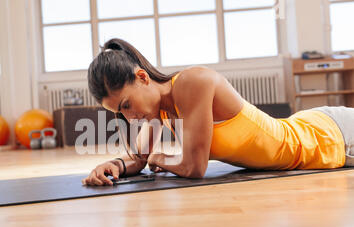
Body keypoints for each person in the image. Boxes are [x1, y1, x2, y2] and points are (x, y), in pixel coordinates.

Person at [82, 38, 354, 186]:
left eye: (126, 105)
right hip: (308, 129)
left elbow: (193, 168)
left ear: (142, 77)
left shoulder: (191, 83)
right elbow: (140, 160)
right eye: (119, 113)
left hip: (330, 137)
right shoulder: (155, 113)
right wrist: (113, 167)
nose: (129, 117)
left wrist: (160, 157)